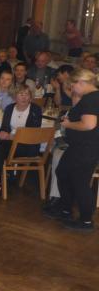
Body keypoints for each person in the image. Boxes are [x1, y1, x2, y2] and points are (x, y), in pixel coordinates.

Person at [44, 68, 99, 230]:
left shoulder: (90, 99)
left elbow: (89, 125)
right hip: (82, 146)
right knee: (63, 172)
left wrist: (68, 124)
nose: (72, 89)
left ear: (80, 82)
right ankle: (65, 209)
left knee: (80, 182)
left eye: (72, 85)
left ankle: (86, 221)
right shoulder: (93, 97)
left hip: (85, 147)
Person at [0, 86, 43, 198]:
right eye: (21, 94)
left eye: (27, 94)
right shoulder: (10, 108)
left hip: (29, 146)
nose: (24, 97)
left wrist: (12, 137)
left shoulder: (36, 109)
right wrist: (2, 133)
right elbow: (4, 127)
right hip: (12, 144)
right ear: (15, 97)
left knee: (0, 148)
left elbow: (33, 133)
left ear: (30, 97)